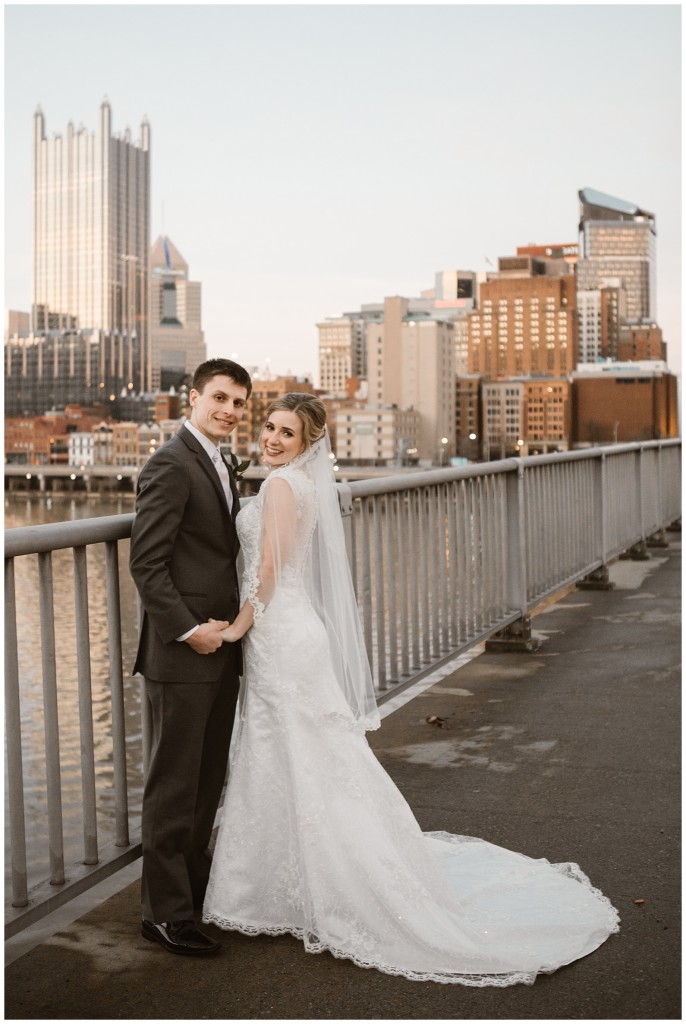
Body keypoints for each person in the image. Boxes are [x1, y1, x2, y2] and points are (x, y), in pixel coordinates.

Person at [202, 392, 619, 985]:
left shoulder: (279, 488)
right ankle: (289, 883)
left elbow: (269, 569)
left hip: (276, 633)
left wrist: (237, 628)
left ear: (307, 443)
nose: (270, 439)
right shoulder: (304, 486)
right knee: (308, 754)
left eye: (286, 434)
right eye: (268, 427)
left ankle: (276, 888)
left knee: (285, 751)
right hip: (295, 632)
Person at [130, 357, 252, 957]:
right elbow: (147, 565)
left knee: (207, 780)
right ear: (194, 397)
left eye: (238, 404)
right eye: (221, 399)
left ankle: (194, 895)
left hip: (222, 645)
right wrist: (187, 633)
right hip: (184, 652)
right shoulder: (170, 463)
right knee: (173, 786)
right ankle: (163, 914)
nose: (229, 411)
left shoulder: (222, 461)